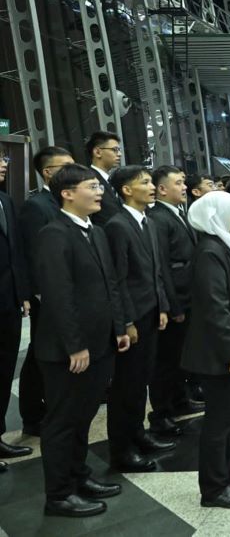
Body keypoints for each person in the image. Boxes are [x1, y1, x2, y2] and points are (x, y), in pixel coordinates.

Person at [35, 164, 130, 517]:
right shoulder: (54, 234)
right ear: (67, 193)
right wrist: (75, 345)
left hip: (101, 342)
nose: (100, 192)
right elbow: (59, 296)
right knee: (62, 421)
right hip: (68, 351)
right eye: (92, 186)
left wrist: (119, 327)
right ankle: (58, 495)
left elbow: (111, 285)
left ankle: (79, 476)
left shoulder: (97, 231)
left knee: (84, 416)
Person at [181, 191, 230, 509]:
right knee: (218, 423)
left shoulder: (228, 246)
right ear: (217, 216)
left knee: (229, 420)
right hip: (219, 355)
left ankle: (227, 474)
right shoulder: (210, 252)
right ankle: (213, 488)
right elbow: (217, 308)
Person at [105, 166, 174, 472]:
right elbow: (118, 280)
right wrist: (127, 322)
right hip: (134, 316)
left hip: (151, 312)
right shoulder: (118, 225)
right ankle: (122, 450)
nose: (151, 187)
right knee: (127, 386)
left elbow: (156, 271)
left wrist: (161, 306)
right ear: (126, 190)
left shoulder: (150, 222)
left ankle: (138, 434)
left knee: (142, 380)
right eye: (144, 182)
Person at [16, 146, 75, 440]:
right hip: (47, 295)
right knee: (41, 355)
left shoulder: (64, 201)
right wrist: (39, 293)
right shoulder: (37, 206)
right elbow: (34, 253)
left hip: (69, 291)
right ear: (48, 172)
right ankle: (33, 414)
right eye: (66, 167)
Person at [147, 166, 199, 436]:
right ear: (162, 189)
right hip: (175, 296)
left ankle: (180, 400)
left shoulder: (178, 213)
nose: (184, 187)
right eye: (178, 183)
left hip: (188, 293)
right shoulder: (158, 218)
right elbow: (162, 266)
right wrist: (172, 305)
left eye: (184, 182)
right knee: (166, 360)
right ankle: (161, 412)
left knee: (181, 354)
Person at [0, 150, 31, 464]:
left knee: (5, 369)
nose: (4, 164)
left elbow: (15, 252)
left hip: (7, 301)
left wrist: (22, 292)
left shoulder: (6, 201)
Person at [85, 131, 122, 226]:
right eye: (115, 150)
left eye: (119, 150)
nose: (120, 154)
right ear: (98, 152)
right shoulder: (87, 179)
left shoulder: (114, 180)